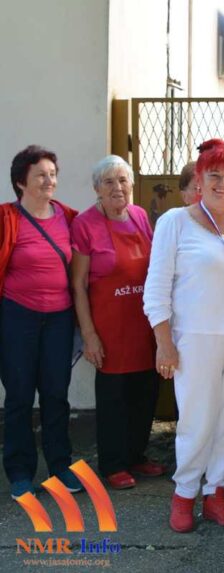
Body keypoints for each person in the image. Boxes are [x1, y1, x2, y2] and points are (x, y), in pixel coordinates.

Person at [144, 139, 224, 533]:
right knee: (197, 419)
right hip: (194, 337)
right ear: (199, 180)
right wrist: (164, 342)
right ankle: (184, 494)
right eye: (214, 176)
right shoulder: (174, 221)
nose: (223, 183)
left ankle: (217, 492)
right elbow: (156, 288)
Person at [70, 155, 164, 490]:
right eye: (108, 182)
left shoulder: (139, 216)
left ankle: (137, 455)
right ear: (97, 188)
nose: (117, 188)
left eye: (123, 180)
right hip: (109, 328)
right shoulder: (85, 224)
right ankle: (113, 463)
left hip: (143, 324)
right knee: (114, 398)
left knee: (145, 391)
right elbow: (78, 285)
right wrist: (89, 335)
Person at [0, 145, 82, 499]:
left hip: (60, 319)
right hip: (18, 316)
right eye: (41, 175)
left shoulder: (68, 217)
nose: (50, 181)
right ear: (21, 182)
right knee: (19, 395)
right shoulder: (6, 218)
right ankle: (19, 472)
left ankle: (60, 466)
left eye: (52, 174)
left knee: (55, 394)